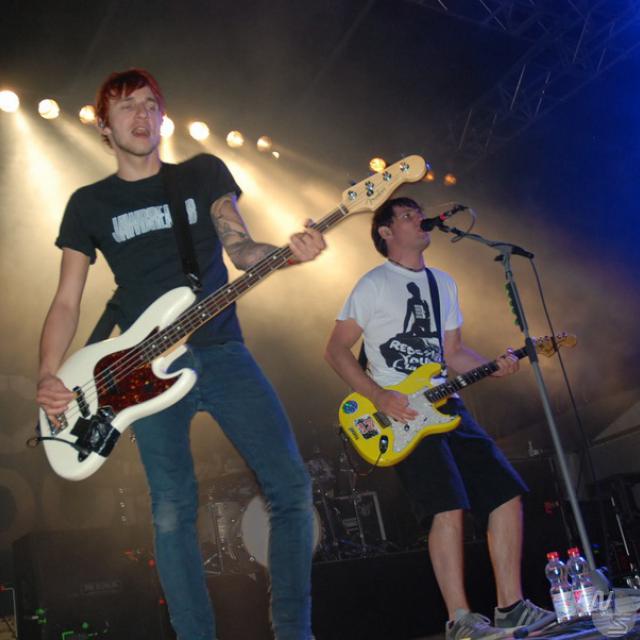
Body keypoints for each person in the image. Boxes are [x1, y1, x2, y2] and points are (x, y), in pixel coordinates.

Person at [36, 68, 325, 640]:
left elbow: (241, 248)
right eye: (126, 107)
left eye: (150, 104)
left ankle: (295, 632)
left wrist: (287, 252)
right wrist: (48, 374)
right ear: (103, 125)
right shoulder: (89, 204)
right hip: (140, 371)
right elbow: (66, 300)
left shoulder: (201, 173)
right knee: (172, 509)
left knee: (291, 489)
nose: (141, 116)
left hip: (222, 349)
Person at [325, 197, 553, 640]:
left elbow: (453, 353)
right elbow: (335, 350)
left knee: (505, 493)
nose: (419, 219)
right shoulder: (372, 284)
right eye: (407, 215)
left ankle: (511, 607)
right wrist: (379, 395)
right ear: (386, 232)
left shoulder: (442, 283)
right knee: (447, 506)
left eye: (418, 213)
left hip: (447, 405)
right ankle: (459, 619)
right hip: (401, 413)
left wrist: (494, 365)